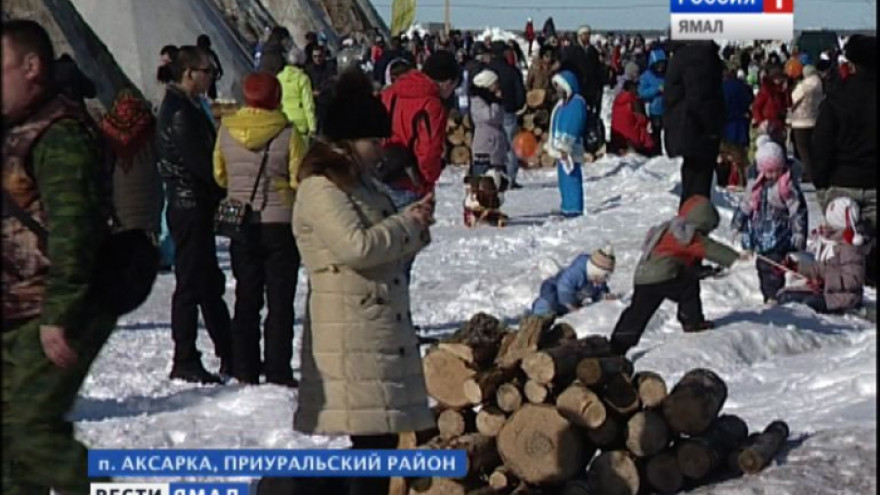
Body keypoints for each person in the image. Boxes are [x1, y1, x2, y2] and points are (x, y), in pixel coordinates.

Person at [291, 69, 436, 495]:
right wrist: (406, 224)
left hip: (371, 327)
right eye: (374, 141)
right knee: (371, 445)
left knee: (379, 443)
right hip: (351, 328)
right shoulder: (321, 188)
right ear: (348, 142)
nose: (381, 150)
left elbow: (384, 241)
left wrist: (415, 226)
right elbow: (355, 247)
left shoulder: (361, 184)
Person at [2, 19, 117, 494]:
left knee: (31, 431)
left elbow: (76, 230)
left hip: (47, 310)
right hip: (15, 308)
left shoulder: (58, 134)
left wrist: (59, 313)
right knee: (11, 441)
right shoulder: (16, 131)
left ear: (30, 67)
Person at [213, 72, 306, 386]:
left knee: (246, 296)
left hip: (242, 224)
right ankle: (278, 368)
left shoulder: (226, 129)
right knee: (280, 300)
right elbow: (298, 179)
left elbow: (219, 174)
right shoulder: (288, 133)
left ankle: (245, 367)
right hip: (279, 222)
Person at [157, 46, 232, 384]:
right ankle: (185, 356)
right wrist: (225, 186)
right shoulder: (179, 111)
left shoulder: (188, 106)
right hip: (189, 204)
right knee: (191, 283)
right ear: (189, 72)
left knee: (207, 282)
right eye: (207, 72)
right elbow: (200, 163)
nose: (211, 78)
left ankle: (229, 351)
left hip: (195, 203)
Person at [609, 196, 750, 356]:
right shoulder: (686, 233)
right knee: (688, 288)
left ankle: (617, 346)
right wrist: (736, 258)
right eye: (707, 229)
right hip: (663, 276)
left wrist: (702, 270)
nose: (707, 234)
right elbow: (710, 249)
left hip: (643, 278)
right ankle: (692, 321)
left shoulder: (668, 229)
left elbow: (680, 260)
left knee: (637, 313)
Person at [812, 34, 876, 287]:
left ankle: (845, 290)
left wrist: (821, 182)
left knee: (842, 250)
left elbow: (822, 143)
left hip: (841, 182)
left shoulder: (838, 96)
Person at [731, 138, 808, 304]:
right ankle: (768, 294)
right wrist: (738, 223)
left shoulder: (786, 186)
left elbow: (798, 211)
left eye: (776, 170)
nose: (772, 175)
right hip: (758, 234)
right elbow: (745, 205)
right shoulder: (755, 185)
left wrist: (799, 233)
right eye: (768, 171)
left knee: (774, 266)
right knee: (761, 265)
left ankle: (774, 296)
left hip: (779, 235)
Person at [380, 50, 458, 209]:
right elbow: (429, 151)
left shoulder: (390, 93)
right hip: (411, 183)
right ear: (447, 82)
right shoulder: (432, 105)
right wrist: (429, 179)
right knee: (412, 232)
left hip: (382, 174)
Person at [778, 196, 868, 313]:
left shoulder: (850, 248)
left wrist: (824, 281)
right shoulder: (833, 242)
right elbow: (820, 269)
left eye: (830, 222)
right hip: (828, 293)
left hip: (844, 299)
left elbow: (852, 282)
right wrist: (796, 267)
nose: (826, 225)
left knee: (802, 303)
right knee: (784, 294)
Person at [663, 40, 725, 208]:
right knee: (698, 187)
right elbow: (700, 97)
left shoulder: (681, 55)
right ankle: (693, 226)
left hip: (685, 127)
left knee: (691, 180)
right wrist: (712, 128)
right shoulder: (701, 57)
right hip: (699, 129)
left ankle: (687, 223)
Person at [530, 246, 617, 317]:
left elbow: (597, 291)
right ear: (593, 271)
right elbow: (563, 286)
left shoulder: (596, 281)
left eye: (604, 278)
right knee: (544, 309)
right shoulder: (576, 273)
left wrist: (603, 295)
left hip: (566, 306)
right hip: (552, 296)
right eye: (599, 277)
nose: (600, 282)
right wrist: (571, 306)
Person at [547, 71, 588, 218]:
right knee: (563, 178)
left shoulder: (577, 103)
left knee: (571, 176)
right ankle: (566, 205)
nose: (558, 91)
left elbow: (574, 124)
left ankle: (574, 207)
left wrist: (565, 145)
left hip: (570, 147)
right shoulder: (561, 105)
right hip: (560, 147)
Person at [489, 41, 526, 189]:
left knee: (493, 144)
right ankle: (510, 178)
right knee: (511, 146)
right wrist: (517, 106)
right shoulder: (512, 71)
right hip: (509, 110)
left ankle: (493, 177)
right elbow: (520, 93)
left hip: (491, 110)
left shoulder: (488, 70)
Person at [720, 60, 755, 190]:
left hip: (727, 125)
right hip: (742, 124)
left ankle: (728, 180)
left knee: (727, 155)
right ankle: (744, 180)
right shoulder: (743, 86)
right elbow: (750, 101)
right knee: (742, 155)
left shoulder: (721, 88)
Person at [469, 69, 507, 178]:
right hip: (484, 148)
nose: (497, 86)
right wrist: (496, 101)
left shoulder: (492, 100)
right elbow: (490, 116)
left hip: (496, 147)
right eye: (495, 84)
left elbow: (500, 118)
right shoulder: (477, 101)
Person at [789, 64, 823, 183]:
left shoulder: (804, 86)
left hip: (801, 121)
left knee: (803, 150)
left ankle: (810, 174)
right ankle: (816, 171)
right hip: (815, 118)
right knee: (814, 149)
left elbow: (793, 99)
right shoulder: (820, 84)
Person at [560, 25, 604, 114]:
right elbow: (567, 66)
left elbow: (597, 68)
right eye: (585, 34)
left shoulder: (593, 51)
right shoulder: (572, 51)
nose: (587, 36)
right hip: (578, 87)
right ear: (579, 36)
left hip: (591, 88)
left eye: (589, 34)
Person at [278, 48, 317, 139]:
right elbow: (308, 104)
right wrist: (312, 127)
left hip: (285, 118)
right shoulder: (303, 78)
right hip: (301, 120)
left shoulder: (279, 77)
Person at [610, 80, 654, 156]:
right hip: (632, 136)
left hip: (618, 136)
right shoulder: (633, 100)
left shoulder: (617, 100)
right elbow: (641, 119)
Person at [638, 47, 667, 157]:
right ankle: (656, 153)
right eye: (658, 64)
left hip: (668, 108)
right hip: (654, 109)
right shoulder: (646, 76)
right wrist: (656, 90)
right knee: (656, 133)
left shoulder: (667, 74)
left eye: (662, 64)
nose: (660, 67)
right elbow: (642, 92)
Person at [305, 45, 337, 135]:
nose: (317, 59)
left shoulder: (329, 67)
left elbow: (331, 81)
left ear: (323, 56)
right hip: (313, 102)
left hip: (326, 101)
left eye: (319, 56)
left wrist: (320, 91)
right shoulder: (309, 69)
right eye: (315, 56)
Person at [196, 34, 223, 100]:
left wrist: (219, 71)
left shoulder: (209, 54)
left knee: (210, 92)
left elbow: (217, 63)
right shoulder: (210, 53)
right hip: (207, 77)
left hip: (208, 77)